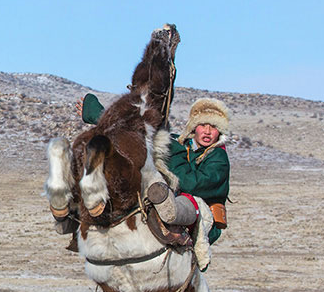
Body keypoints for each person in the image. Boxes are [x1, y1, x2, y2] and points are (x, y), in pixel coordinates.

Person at [78, 95, 231, 246]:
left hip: (203, 219)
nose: (207, 131)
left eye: (214, 127)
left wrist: (172, 152)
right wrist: (98, 114)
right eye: (203, 125)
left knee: (163, 198)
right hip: (172, 201)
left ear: (220, 132)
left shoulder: (218, 158)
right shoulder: (181, 143)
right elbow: (139, 134)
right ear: (193, 127)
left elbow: (193, 185)